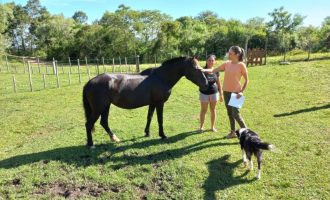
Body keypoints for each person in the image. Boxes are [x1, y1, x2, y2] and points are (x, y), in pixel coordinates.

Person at [203, 46, 249, 138]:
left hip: (236, 93)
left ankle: (247, 134)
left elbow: (247, 80)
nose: (228, 54)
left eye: (230, 53)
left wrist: (242, 92)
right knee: (230, 113)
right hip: (226, 92)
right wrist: (202, 69)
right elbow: (213, 70)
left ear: (237, 54)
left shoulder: (241, 65)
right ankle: (233, 132)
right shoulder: (227, 63)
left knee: (236, 114)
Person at [199, 54, 223, 132]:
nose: (211, 62)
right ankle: (201, 127)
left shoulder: (216, 71)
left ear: (215, 62)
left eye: (212, 60)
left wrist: (221, 94)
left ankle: (212, 127)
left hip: (214, 93)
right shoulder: (202, 70)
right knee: (203, 110)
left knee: (213, 110)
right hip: (204, 93)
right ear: (206, 61)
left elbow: (219, 83)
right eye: (209, 60)